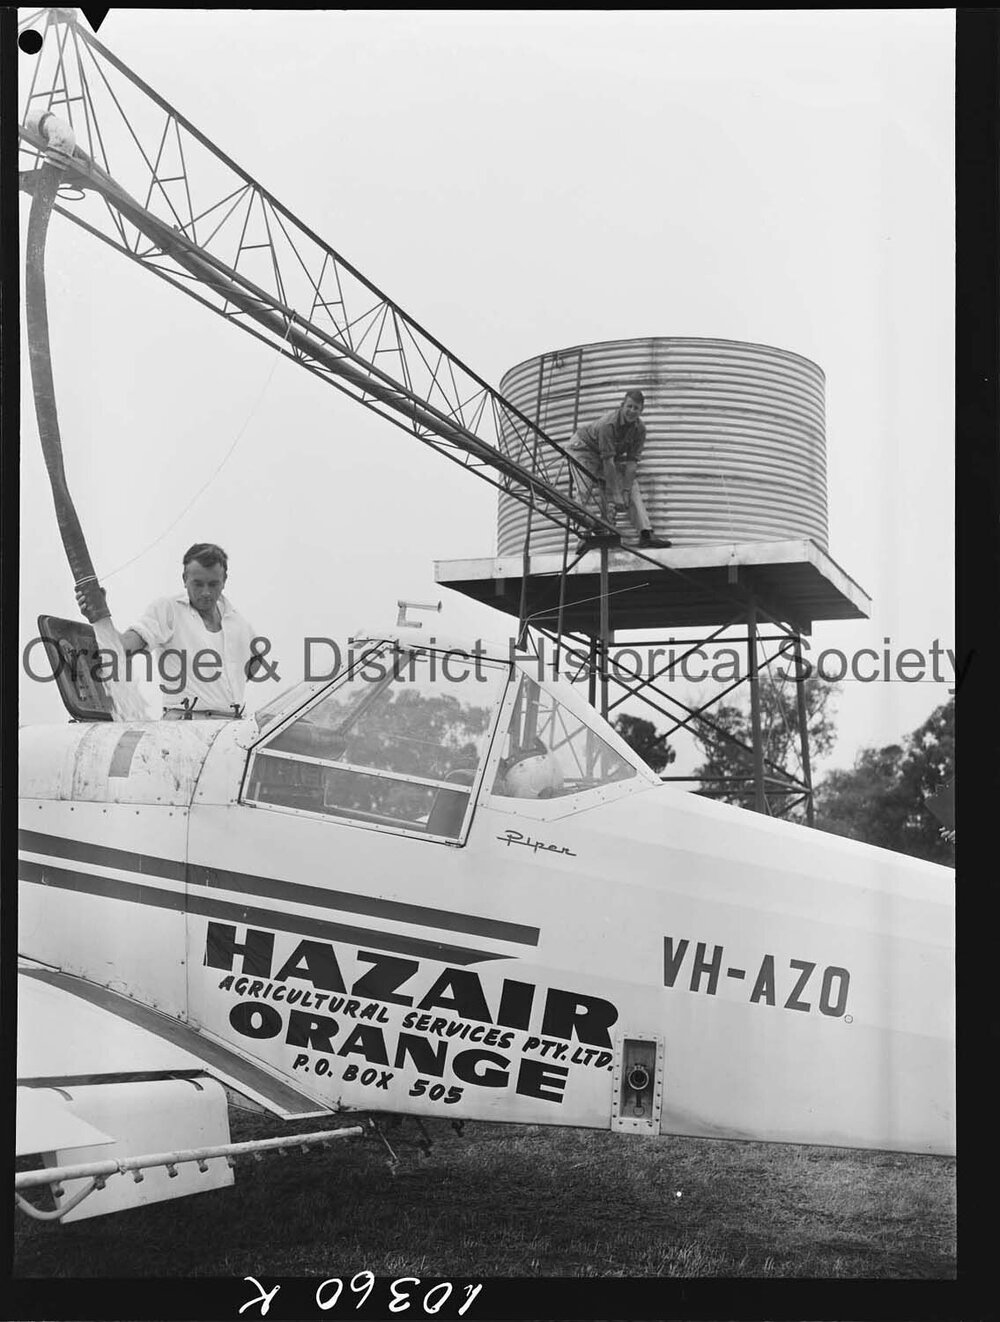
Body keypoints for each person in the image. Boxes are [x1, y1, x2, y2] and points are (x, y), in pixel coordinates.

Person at [76, 542, 261, 718]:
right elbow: (123, 648)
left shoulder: (238, 622)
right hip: (185, 726)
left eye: (213, 584)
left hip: (232, 730)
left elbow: (257, 658)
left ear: (224, 581)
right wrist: (99, 614)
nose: (206, 592)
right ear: (184, 579)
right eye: (198, 584)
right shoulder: (168, 610)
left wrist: (224, 684)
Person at [569, 389, 671, 552]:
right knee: (584, 490)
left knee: (632, 487)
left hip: (604, 454)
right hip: (583, 449)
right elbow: (608, 462)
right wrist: (616, 496)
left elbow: (631, 464)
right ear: (622, 406)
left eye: (636, 408)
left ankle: (646, 534)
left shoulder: (640, 429)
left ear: (641, 410)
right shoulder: (609, 424)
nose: (632, 411)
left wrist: (624, 491)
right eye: (629, 406)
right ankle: (584, 536)